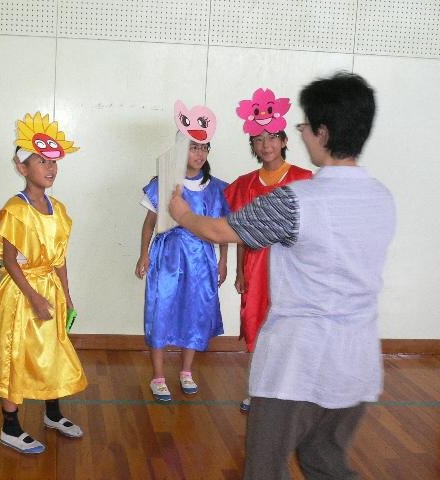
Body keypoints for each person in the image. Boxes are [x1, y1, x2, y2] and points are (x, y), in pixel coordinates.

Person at [169, 72, 395, 479]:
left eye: (305, 126)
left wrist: (181, 213)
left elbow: (223, 230)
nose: (302, 132)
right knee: (325, 461)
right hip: (356, 363)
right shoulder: (381, 197)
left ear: (322, 133)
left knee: (265, 468)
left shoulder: (296, 199)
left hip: (298, 364)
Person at [0, 112, 88, 455]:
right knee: (14, 354)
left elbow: (59, 258)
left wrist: (68, 297)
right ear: (22, 167)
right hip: (21, 294)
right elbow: (9, 259)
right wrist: (32, 297)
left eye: (53, 162)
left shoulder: (58, 209)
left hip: (50, 291)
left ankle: (53, 414)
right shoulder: (15, 210)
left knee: (53, 349)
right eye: (41, 161)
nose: (50, 168)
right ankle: (10, 427)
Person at [135, 100, 230, 402]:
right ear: (180, 150)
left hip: (202, 260)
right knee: (160, 310)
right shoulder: (164, 184)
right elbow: (149, 224)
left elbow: (223, 228)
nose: (199, 154)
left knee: (195, 312)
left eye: (204, 148)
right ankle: (158, 375)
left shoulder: (217, 189)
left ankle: (186, 370)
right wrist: (144, 254)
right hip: (168, 258)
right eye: (193, 147)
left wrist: (224, 260)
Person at [226, 88, 312, 413]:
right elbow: (237, 232)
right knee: (257, 323)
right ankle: (258, 389)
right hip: (256, 265)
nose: (266, 145)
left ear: (284, 140)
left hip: (292, 266)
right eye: (259, 140)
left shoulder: (303, 179)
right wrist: (238, 272)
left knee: (291, 325)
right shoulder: (244, 184)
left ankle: (290, 389)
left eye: (272, 137)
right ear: (252, 145)